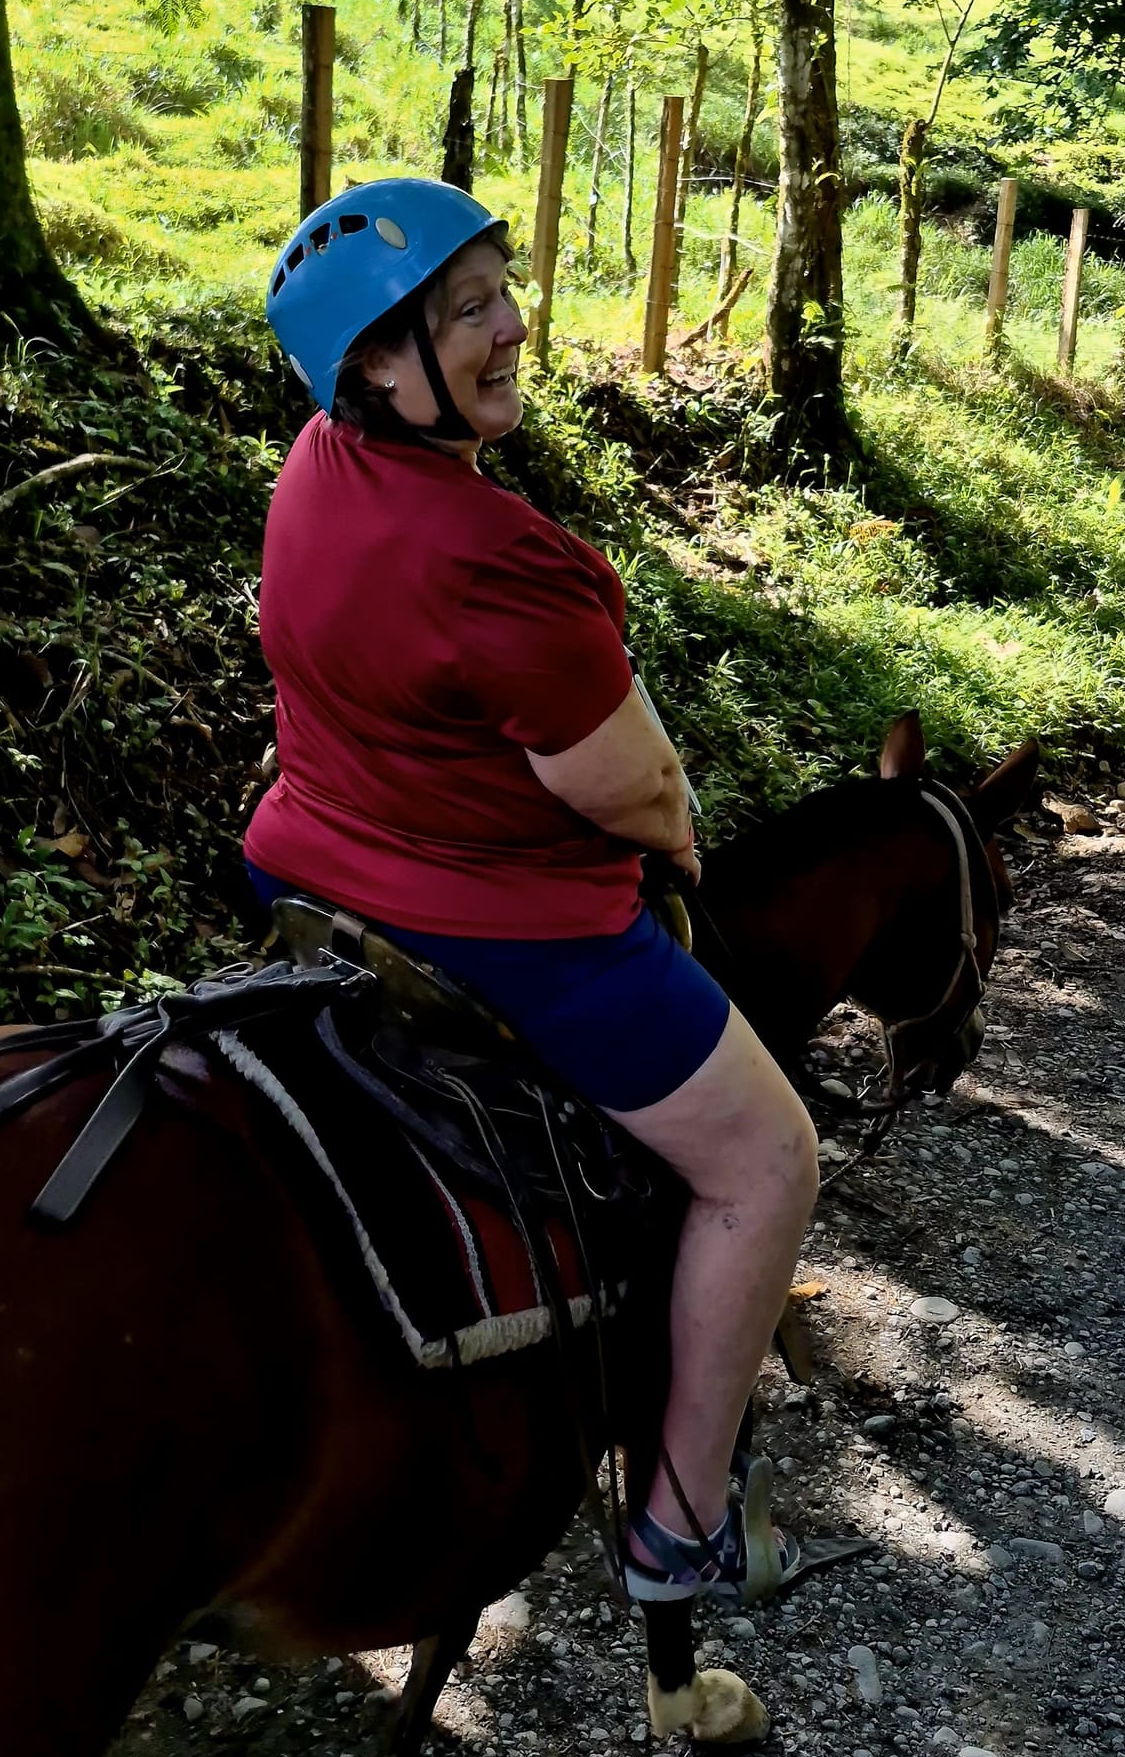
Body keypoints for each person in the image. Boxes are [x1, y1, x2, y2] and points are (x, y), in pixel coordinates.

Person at [245, 176, 817, 1600]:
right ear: (378, 367)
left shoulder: (318, 466)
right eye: (468, 311)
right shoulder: (499, 562)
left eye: (505, 287)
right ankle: (681, 1522)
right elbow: (626, 789)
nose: (516, 325)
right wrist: (679, 839)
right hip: (502, 926)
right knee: (767, 1162)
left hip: (302, 861)